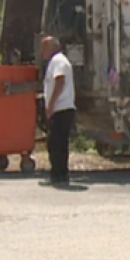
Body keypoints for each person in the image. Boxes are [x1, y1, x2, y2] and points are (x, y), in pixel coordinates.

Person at [40, 35, 76, 186]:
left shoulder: (58, 61)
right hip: (61, 108)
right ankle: (61, 173)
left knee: (55, 143)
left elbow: (59, 82)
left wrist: (51, 105)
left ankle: (58, 174)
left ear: (53, 47)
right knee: (59, 143)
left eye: (44, 47)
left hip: (61, 108)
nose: (42, 51)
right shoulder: (56, 61)